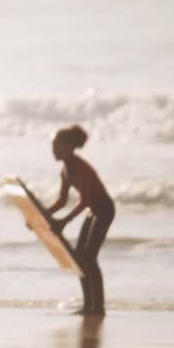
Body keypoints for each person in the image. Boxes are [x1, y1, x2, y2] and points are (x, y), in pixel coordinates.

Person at [45, 124, 114, 316]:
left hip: (104, 210)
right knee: (79, 257)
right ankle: (88, 305)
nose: (53, 150)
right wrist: (44, 213)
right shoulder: (65, 171)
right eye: (52, 146)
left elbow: (85, 199)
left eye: (57, 146)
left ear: (68, 147)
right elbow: (62, 200)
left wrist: (65, 221)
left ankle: (98, 307)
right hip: (92, 211)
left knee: (89, 257)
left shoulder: (79, 167)